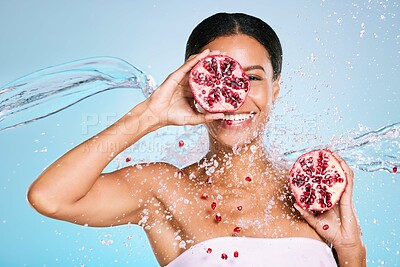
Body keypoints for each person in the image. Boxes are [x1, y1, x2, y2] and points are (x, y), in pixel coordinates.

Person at [27, 13, 366, 266]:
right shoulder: (162, 188)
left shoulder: (312, 188)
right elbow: (51, 197)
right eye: (220, 77)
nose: (236, 96)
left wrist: (350, 249)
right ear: (192, 83)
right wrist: (149, 115)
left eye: (252, 78)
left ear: (274, 91)